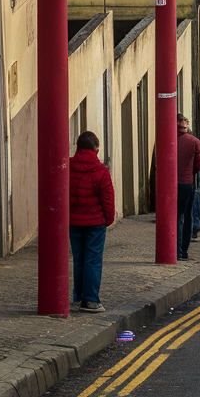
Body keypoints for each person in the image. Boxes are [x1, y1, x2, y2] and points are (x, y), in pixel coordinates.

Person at [69, 131, 115, 313]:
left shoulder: (68, 166)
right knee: (93, 260)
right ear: (96, 149)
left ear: (78, 147)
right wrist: (108, 219)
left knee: (79, 259)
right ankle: (90, 300)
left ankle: (79, 296)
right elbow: (108, 199)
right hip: (95, 222)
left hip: (74, 221)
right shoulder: (101, 171)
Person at [176, 114, 200, 261]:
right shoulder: (195, 142)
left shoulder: (168, 140)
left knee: (175, 217)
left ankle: (175, 249)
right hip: (187, 183)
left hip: (171, 185)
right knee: (187, 216)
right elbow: (198, 165)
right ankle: (183, 250)